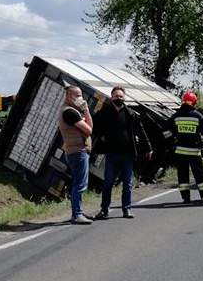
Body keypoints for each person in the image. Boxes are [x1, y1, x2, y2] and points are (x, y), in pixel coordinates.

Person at [93, 86, 152, 219]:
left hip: (128, 155)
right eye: (116, 96)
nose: (118, 98)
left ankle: (127, 209)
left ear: (124, 98)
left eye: (120, 96)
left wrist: (148, 147)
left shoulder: (130, 114)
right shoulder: (104, 112)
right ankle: (104, 210)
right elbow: (95, 126)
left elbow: (141, 131)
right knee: (108, 183)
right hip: (112, 154)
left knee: (127, 183)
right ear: (111, 97)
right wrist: (101, 137)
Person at [168, 90, 203, 204]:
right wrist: (201, 144)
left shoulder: (176, 116)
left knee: (182, 176)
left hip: (180, 152)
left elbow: (166, 130)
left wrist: (172, 142)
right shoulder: (198, 116)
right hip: (194, 151)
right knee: (200, 175)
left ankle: (185, 198)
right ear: (194, 102)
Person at [59, 86, 93, 225]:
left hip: (77, 151)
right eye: (77, 95)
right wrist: (86, 110)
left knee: (79, 182)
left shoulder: (71, 111)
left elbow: (87, 128)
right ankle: (77, 214)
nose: (80, 98)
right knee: (80, 184)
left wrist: (84, 112)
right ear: (68, 96)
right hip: (77, 151)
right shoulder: (69, 113)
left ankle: (77, 212)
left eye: (81, 95)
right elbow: (89, 129)